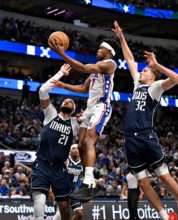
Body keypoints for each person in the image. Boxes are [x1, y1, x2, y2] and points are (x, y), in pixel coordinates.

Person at [112, 21, 178, 220]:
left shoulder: (154, 88)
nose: (141, 71)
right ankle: (165, 217)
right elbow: (129, 59)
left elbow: (176, 79)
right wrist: (121, 38)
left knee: (164, 176)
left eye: (145, 71)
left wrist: (156, 65)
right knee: (143, 182)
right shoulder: (136, 84)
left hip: (146, 137)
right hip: (131, 140)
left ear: (152, 77)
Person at [50, 39, 117, 201]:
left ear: (108, 52)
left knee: (89, 141)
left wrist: (61, 54)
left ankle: (88, 182)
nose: (97, 50)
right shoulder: (96, 71)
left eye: (101, 48)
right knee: (80, 145)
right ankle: (90, 182)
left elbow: (82, 68)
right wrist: (63, 85)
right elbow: (83, 88)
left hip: (101, 107)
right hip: (89, 110)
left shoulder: (110, 64)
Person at [31, 64, 79, 220]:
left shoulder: (75, 123)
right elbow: (43, 90)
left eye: (70, 101)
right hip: (42, 164)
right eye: (64, 100)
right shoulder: (51, 114)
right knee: (40, 200)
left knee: (64, 209)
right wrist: (60, 73)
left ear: (73, 110)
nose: (66, 101)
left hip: (59, 169)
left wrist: (86, 117)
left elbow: (90, 130)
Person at [53, 144, 84, 220]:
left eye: (77, 148)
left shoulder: (82, 163)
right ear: (70, 151)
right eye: (73, 148)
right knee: (60, 215)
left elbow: (80, 178)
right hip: (62, 191)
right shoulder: (66, 160)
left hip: (73, 192)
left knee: (79, 213)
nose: (76, 150)